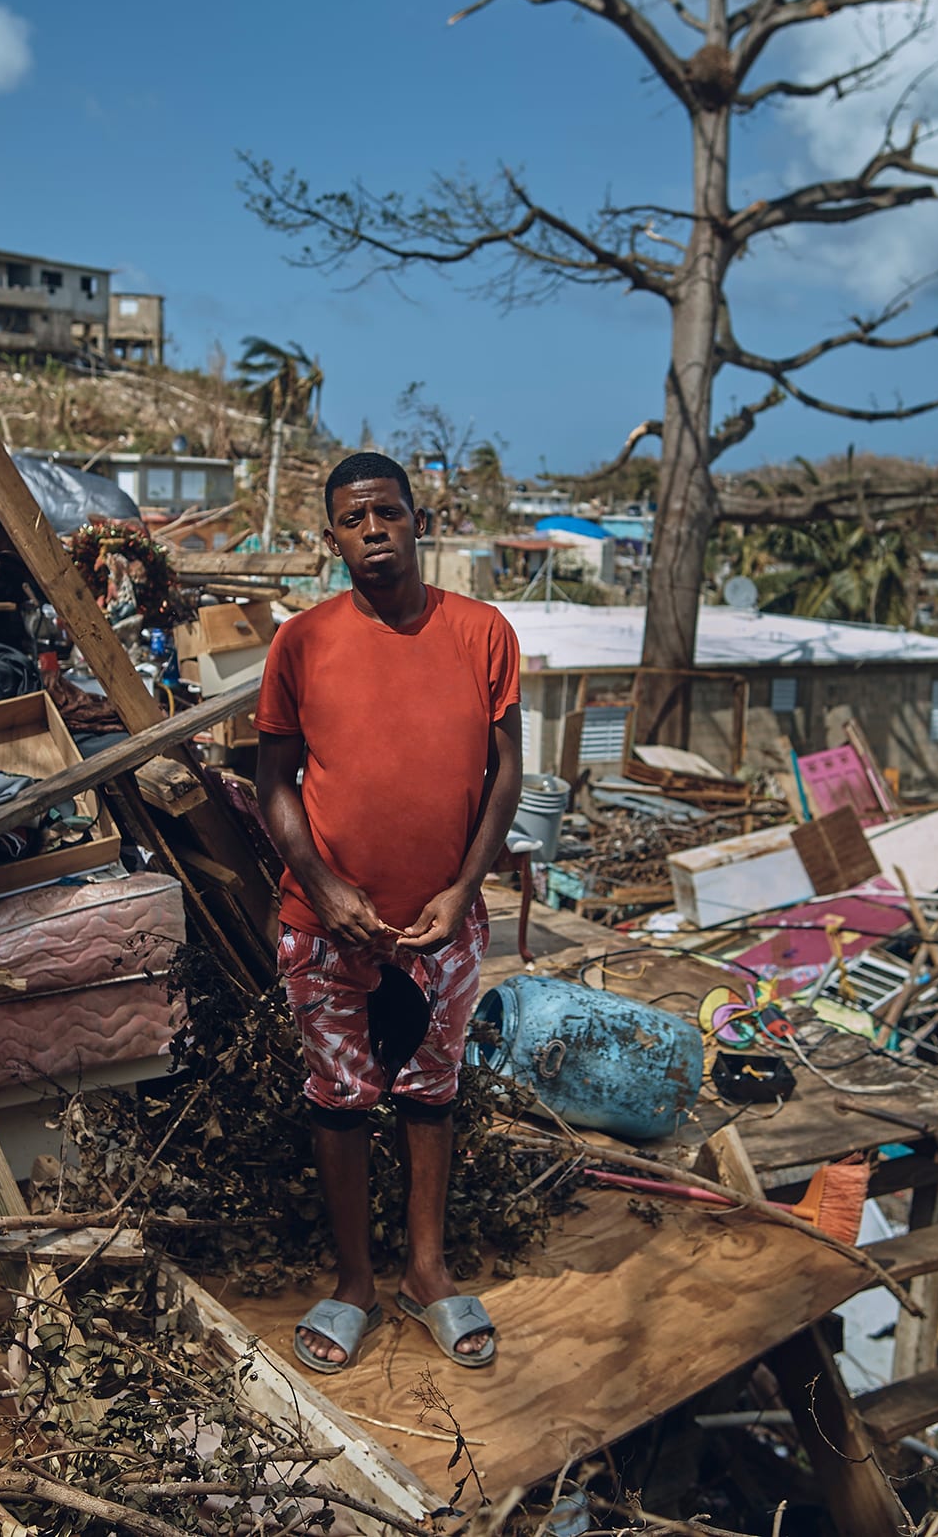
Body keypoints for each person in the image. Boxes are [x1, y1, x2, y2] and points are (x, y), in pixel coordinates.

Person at [254, 452, 523, 1374]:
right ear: (331, 536)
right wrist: (324, 887)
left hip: (441, 927)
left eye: (386, 514)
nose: (371, 531)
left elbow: (506, 774)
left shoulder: (483, 632)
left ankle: (427, 1271)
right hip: (325, 928)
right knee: (339, 1100)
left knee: (430, 1092)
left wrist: (463, 888)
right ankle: (354, 1280)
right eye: (351, 519)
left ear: (418, 520)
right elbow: (273, 786)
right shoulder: (302, 642)